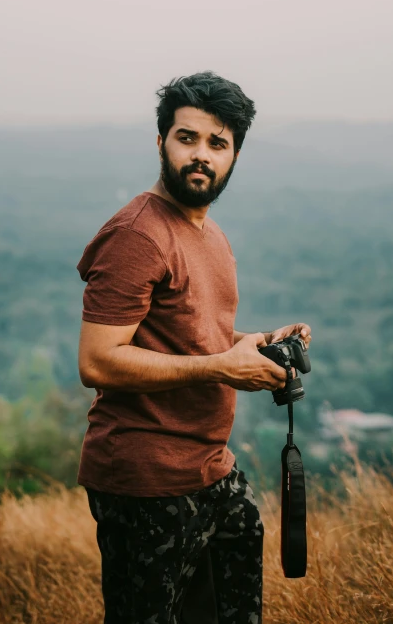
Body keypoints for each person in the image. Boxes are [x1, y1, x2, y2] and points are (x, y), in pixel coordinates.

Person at [76, 71, 312, 624]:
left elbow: (192, 331)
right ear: (161, 142)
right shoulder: (138, 234)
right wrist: (221, 366)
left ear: (234, 156)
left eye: (217, 143)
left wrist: (252, 345)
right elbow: (97, 359)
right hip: (146, 477)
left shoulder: (210, 233)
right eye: (187, 138)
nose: (200, 155)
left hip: (210, 469)